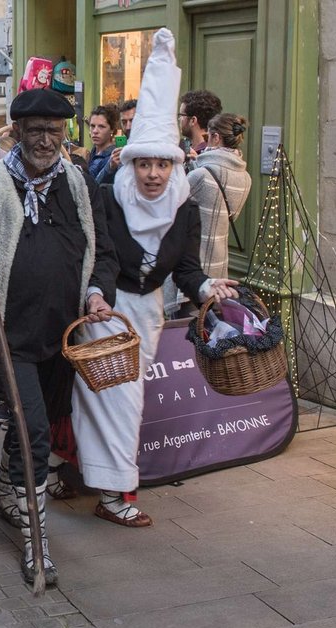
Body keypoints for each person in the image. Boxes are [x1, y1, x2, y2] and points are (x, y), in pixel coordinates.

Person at [0, 87, 120, 585]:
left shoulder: (81, 183)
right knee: (34, 433)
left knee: (33, 426)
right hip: (6, 334)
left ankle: (5, 493)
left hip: (64, 335)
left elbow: (103, 252)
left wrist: (100, 293)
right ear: (15, 132)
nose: (45, 141)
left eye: (54, 132)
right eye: (35, 131)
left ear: (66, 134)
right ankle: (37, 545)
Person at [71, 28, 239, 527]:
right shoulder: (108, 199)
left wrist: (209, 287)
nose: (152, 174)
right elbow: (99, 256)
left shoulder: (185, 210)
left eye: (161, 164)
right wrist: (97, 296)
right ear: (131, 164)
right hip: (105, 311)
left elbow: (186, 270)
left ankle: (80, 472)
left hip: (147, 314)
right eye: (144, 163)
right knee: (117, 402)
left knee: (120, 400)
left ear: (174, 164)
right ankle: (115, 495)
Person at [187, 113, 252, 280]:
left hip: (191, 264)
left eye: (208, 136)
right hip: (219, 262)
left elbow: (173, 206)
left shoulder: (202, 175)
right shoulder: (246, 178)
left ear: (216, 137)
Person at [179, 89, 222, 160]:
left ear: (193, 120)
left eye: (181, 115)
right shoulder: (183, 147)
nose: (179, 119)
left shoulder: (211, 157)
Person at [86, 104, 119, 183]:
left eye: (101, 126)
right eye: (92, 126)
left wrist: (109, 167)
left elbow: (94, 188)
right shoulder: (93, 151)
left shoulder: (114, 157)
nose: (95, 131)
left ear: (112, 129)